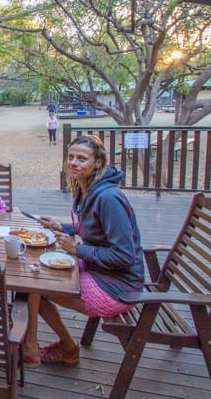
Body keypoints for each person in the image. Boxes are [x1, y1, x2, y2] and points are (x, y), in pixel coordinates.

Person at [22, 134, 144, 367]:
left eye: (81, 158)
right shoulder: (89, 189)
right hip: (98, 270)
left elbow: (125, 256)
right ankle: (58, 346)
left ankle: (43, 347)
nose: (73, 163)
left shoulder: (108, 198)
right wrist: (63, 227)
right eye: (70, 157)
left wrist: (77, 249)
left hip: (118, 287)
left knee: (33, 286)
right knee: (33, 277)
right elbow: (94, 226)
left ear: (98, 163)